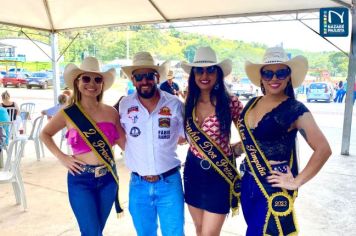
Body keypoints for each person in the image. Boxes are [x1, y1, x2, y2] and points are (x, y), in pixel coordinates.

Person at [239, 47, 331, 235]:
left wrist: (297, 181)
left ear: (289, 76)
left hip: (273, 186)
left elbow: (323, 149)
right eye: (268, 73)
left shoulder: (295, 109)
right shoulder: (251, 104)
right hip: (248, 181)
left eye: (281, 73)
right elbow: (253, 142)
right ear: (261, 76)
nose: (274, 78)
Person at [40, 57, 125, 236]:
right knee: (92, 232)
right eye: (86, 78)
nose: (92, 84)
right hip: (80, 179)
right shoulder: (68, 112)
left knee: (94, 231)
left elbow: (124, 142)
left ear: (102, 84)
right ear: (77, 82)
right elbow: (44, 134)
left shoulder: (111, 112)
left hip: (108, 178)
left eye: (97, 79)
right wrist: (62, 157)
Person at [119, 52, 185, 236]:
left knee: (174, 233)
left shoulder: (174, 104)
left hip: (169, 183)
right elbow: (117, 133)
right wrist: (133, 151)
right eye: (139, 77)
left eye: (149, 76)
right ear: (133, 80)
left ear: (157, 77)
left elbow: (187, 135)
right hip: (138, 184)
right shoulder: (124, 104)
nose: (145, 81)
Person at [181, 46, 244, 236]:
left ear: (218, 73)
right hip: (193, 170)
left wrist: (236, 149)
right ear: (193, 75)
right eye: (199, 70)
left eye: (210, 70)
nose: (204, 75)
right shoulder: (188, 101)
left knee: (209, 234)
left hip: (219, 174)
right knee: (199, 229)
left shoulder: (231, 102)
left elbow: (250, 137)